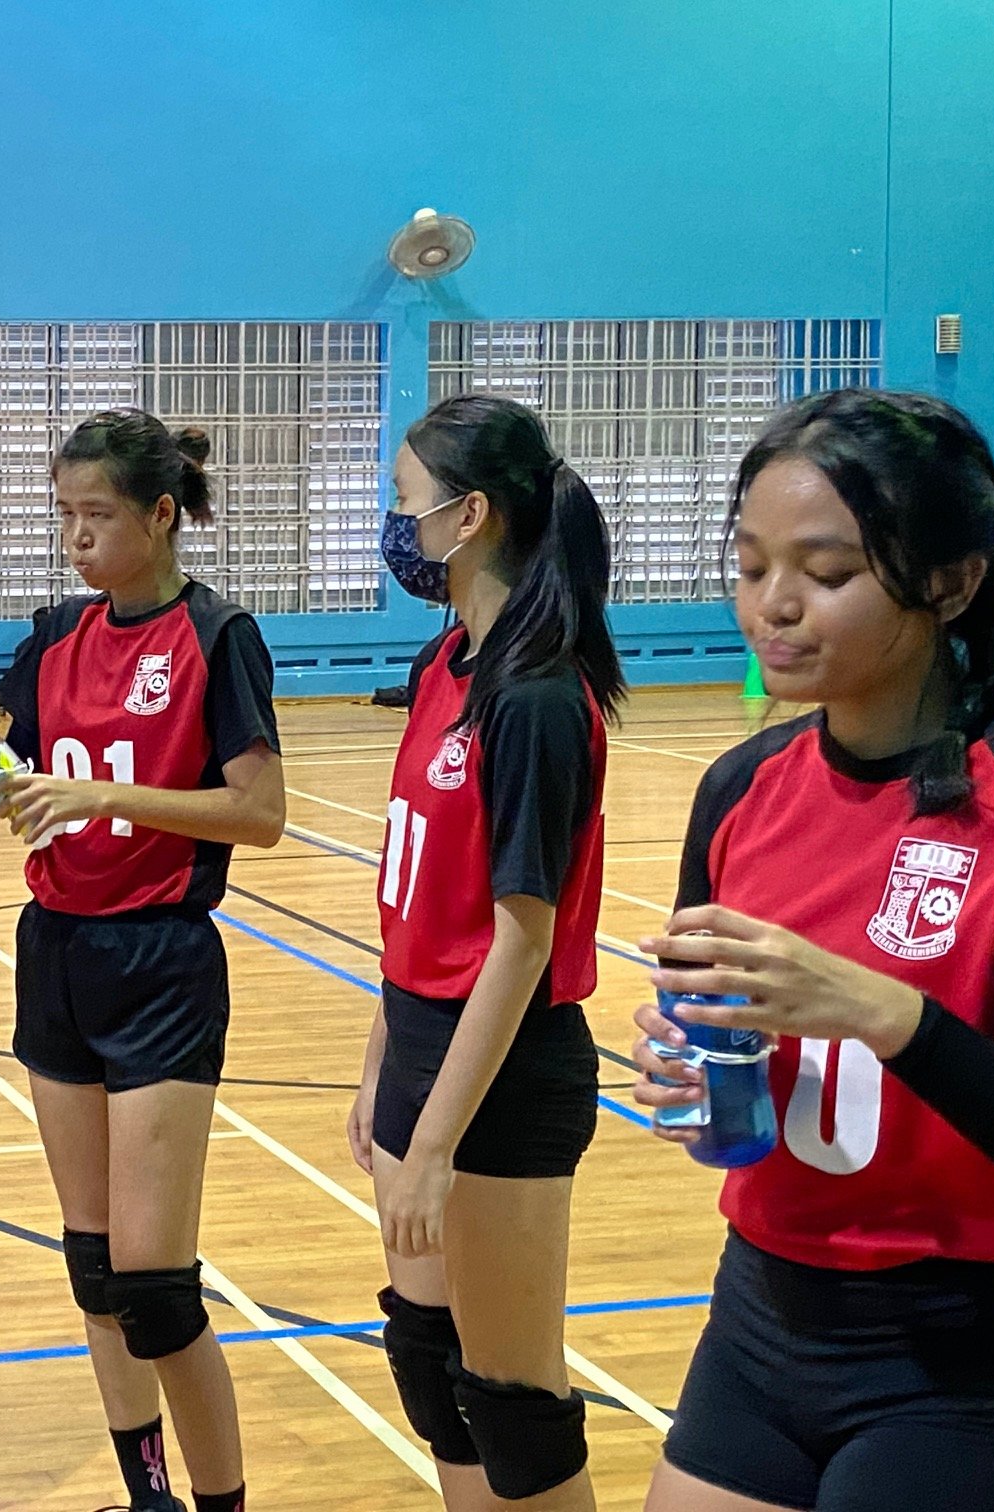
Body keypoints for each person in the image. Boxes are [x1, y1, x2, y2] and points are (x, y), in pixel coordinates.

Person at [628, 389, 994, 1512]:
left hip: (957, 1363)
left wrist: (889, 1014)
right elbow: (728, 1052)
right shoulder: (741, 788)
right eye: (750, 566)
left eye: (826, 573)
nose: (772, 606)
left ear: (949, 582)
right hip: (761, 1319)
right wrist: (690, 1075)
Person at [0, 408, 284, 1512]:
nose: (76, 538)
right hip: (56, 954)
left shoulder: (217, 635)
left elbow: (261, 813)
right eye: (65, 516)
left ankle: (221, 1501)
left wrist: (104, 795)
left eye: (97, 516)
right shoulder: (53, 635)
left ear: (163, 514)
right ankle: (149, 1496)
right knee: (93, 1268)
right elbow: (6, 802)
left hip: (161, 961)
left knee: (155, 1283)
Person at [348, 394, 623, 1511]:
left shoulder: (537, 696)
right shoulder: (440, 667)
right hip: (422, 1047)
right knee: (427, 1363)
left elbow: (520, 939)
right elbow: (417, 903)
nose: (394, 527)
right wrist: (379, 1070)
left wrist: (435, 1142)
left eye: (406, 506)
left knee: (512, 1402)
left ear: (470, 517)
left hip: (504, 1077)